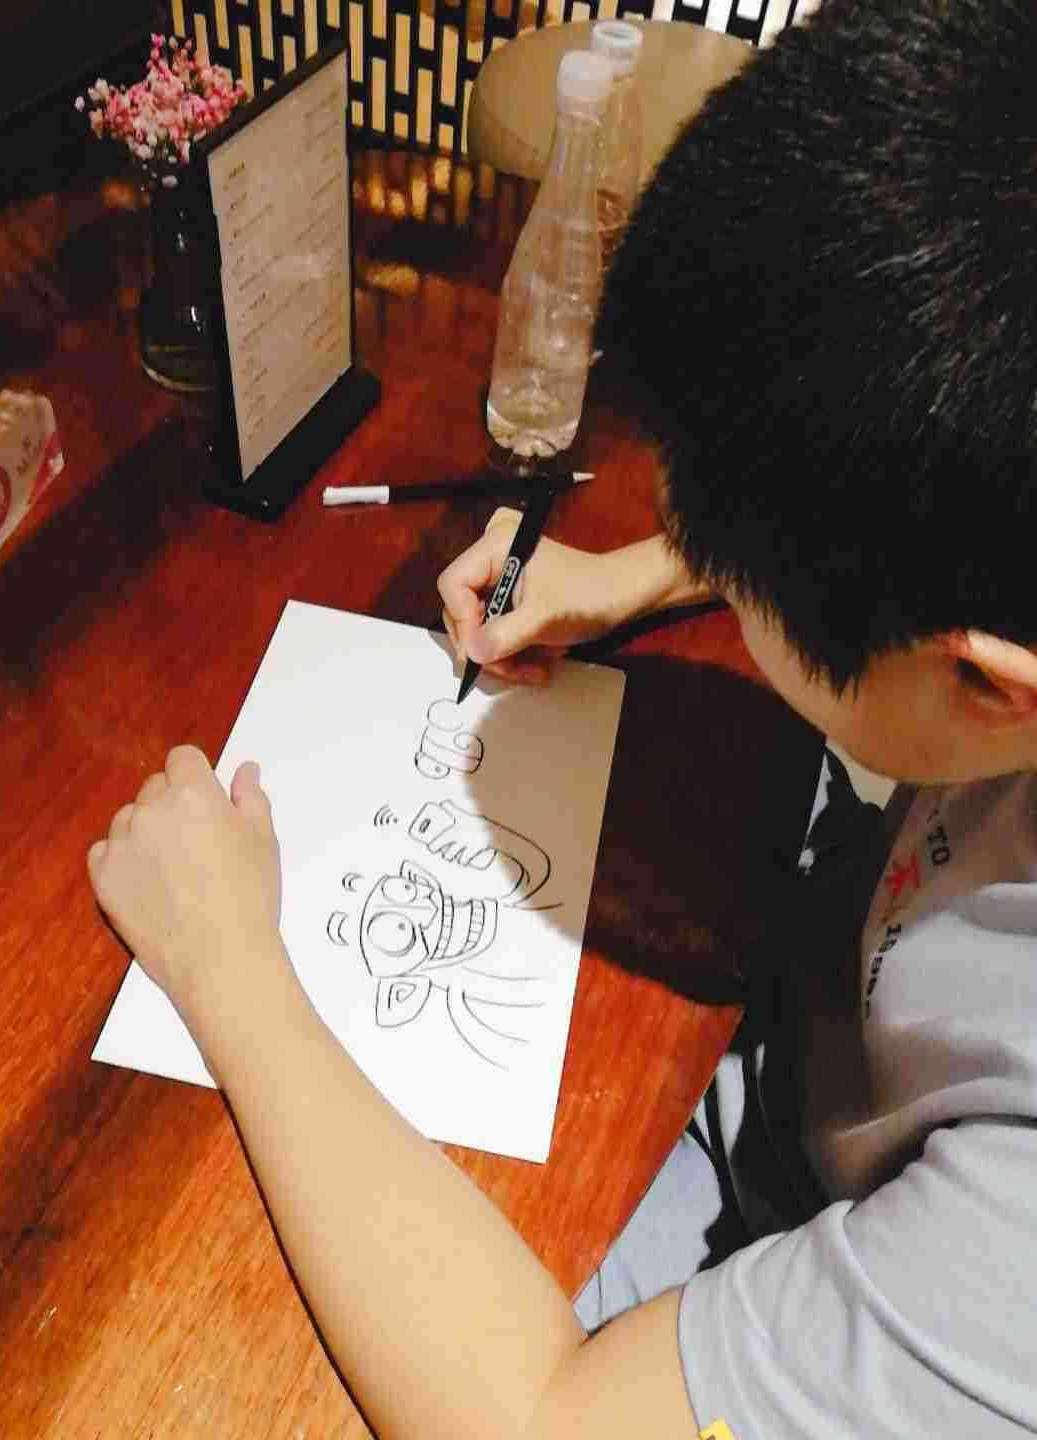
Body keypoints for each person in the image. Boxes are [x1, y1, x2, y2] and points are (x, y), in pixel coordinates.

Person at [88, 1, 1037, 1435]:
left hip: (777, 1248)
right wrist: (640, 573)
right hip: (798, 1025)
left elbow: (536, 1421)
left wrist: (227, 966)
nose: (708, 567)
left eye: (745, 574)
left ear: (989, 685)